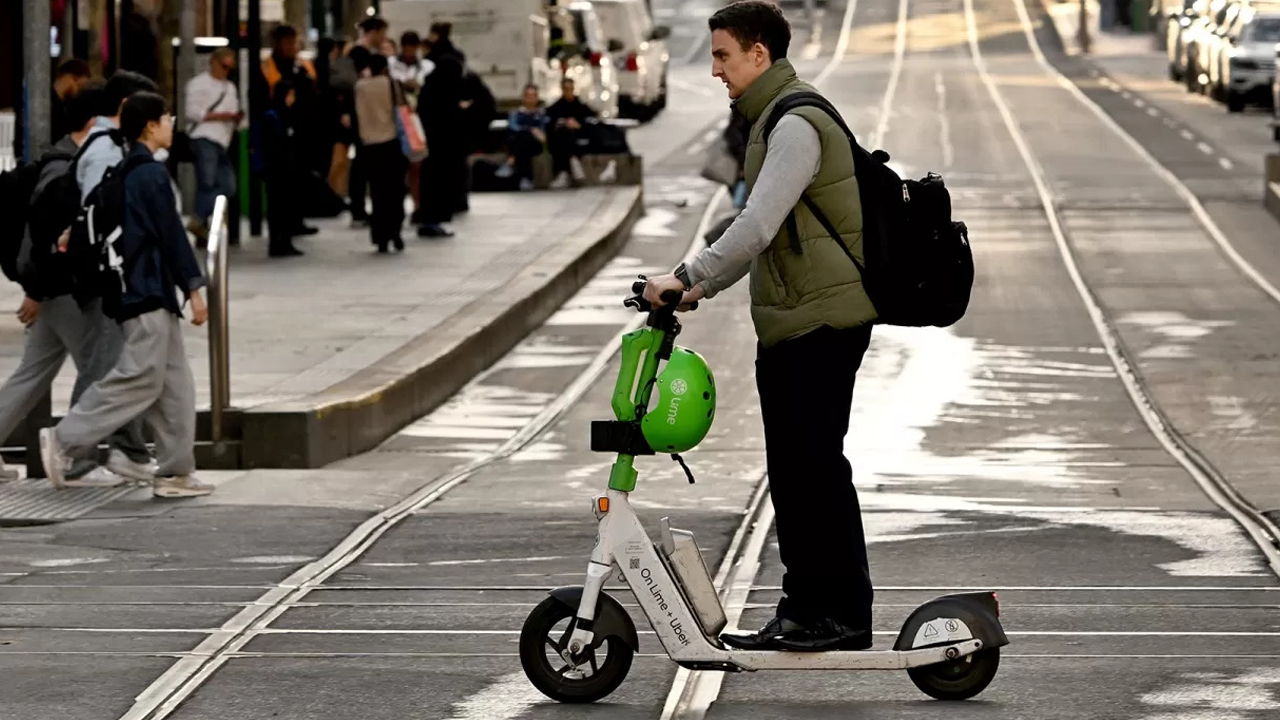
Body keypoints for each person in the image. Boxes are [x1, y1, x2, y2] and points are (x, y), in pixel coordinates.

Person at [643, 0, 877, 652]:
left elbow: (757, 226)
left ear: (759, 55)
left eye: (722, 55)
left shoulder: (795, 122)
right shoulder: (769, 119)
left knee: (812, 466)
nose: (713, 67)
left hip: (820, 321)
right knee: (799, 468)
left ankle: (837, 614)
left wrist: (689, 274)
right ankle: (810, 609)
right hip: (797, 321)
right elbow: (760, 236)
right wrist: (694, 284)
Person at [41, 92, 212, 499]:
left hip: (140, 291)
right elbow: (171, 236)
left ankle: (175, 472)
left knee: (175, 384)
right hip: (146, 291)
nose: (172, 124)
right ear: (150, 126)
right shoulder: (148, 174)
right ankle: (65, 439)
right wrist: (194, 288)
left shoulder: (127, 170)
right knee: (138, 377)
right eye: (167, 118)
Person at [0, 82, 143, 486]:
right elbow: (43, 234)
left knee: (32, 375)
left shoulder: (71, 158)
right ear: (94, 121)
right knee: (101, 371)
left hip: (56, 292)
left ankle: (108, 452)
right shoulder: (66, 165)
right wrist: (36, 290)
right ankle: (79, 458)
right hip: (62, 291)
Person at [184, 49, 242, 243]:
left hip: (222, 140)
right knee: (206, 182)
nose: (226, 71)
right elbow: (192, 112)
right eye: (224, 66)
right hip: (204, 137)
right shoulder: (198, 84)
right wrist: (220, 116)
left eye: (230, 68)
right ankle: (200, 221)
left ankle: (198, 219)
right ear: (213, 62)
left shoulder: (230, 87)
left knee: (228, 185)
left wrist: (235, 119)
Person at [416, 22, 467, 239]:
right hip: (443, 136)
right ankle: (433, 220)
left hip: (432, 134)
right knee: (439, 178)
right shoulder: (451, 63)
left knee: (432, 177)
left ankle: (431, 218)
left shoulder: (433, 73)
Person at [354, 55, 407, 253]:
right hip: (391, 143)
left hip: (369, 145)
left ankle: (380, 236)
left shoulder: (360, 86)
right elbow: (402, 109)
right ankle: (396, 232)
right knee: (395, 191)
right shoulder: (391, 84)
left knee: (377, 193)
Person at [390, 31, 434, 216]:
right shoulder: (392, 65)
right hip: (399, 119)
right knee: (401, 166)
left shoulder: (426, 66)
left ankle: (418, 204)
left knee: (418, 165)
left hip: (418, 120)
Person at [262, 80, 305, 258]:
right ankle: (281, 242)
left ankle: (279, 242)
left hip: (278, 170)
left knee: (278, 208)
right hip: (280, 170)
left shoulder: (279, 115)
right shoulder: (276, 117)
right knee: (282, 207)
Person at [545, 78, 596, 188]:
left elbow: (591, 121)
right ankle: (572, 162)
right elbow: (550, 122)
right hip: (561, 139)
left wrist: (578, 125)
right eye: (566, 89)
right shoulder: (556, 107)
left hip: (579, 137)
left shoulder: (581, 107)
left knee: (566, 140)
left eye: (570, 89)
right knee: (563, 135)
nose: (568, 91)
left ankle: (564, 171)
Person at [506, 84, 549, 191]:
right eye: (528, 96)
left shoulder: (541, 114)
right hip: (520, 142)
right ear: (523, 97)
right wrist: (531, 130)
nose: (531, 98)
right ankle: (526, 177)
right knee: (522, 138)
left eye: (533, 95)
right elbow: (513, 127)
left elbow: (543, 133)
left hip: (535, 144)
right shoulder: (516, 113)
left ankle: (514, 161)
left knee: (523, 142)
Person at [50, 59, 91, 144]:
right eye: (79, 85)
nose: (78, 91)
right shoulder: (48, 103)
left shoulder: (65, 105)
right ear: (70, 78)